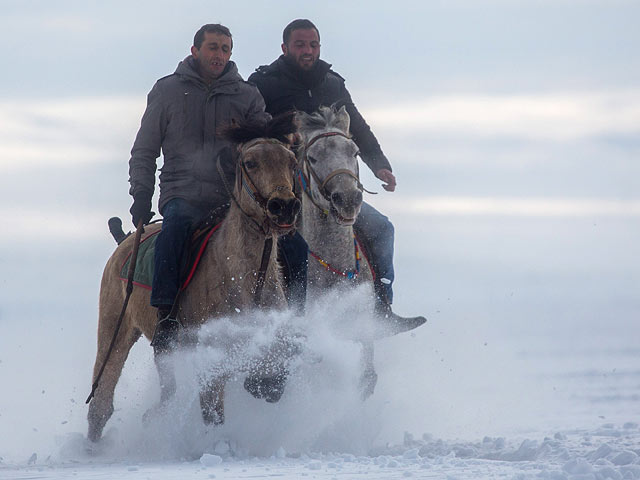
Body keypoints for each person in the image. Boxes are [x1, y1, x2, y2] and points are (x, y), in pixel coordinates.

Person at [127, 24, 307, 358]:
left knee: (295, 245)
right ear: (195, 50)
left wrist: (284, 145)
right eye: (213, 47)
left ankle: (295, 326)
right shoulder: (167, 91)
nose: (219, 55)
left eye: (225, 49)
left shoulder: (245, 94)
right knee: (175, 230)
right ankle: (166, 317)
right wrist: (141, 195)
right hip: (183, 192)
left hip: (235, 199)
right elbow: (144, 150)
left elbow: (265, 141)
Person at [249, 19, 425, 331]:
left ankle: (382, 309)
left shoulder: (332, 83)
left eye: (313, 45)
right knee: (276, 243)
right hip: (283, 185)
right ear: (285, 48)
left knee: (382, 228)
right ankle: (277, 321)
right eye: (300, 45)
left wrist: (380, 165)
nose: (308, 51)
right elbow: (254, 130)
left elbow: (357, 127)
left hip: (333, 185)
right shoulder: (265, 82)